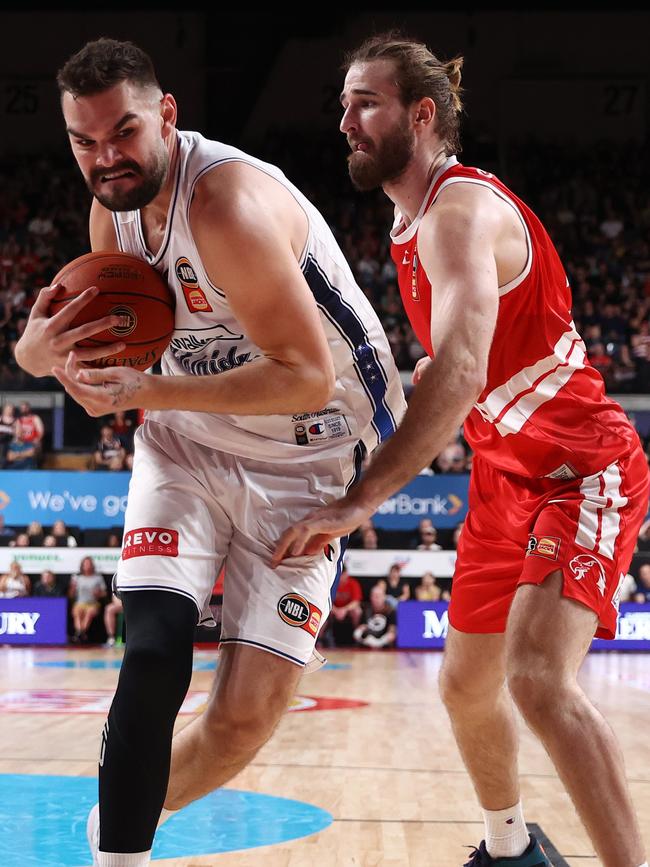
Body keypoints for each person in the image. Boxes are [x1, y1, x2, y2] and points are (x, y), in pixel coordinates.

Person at [14, 38, 404, 867]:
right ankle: (119, 853)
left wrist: (145, 391)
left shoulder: (224, 203)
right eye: (84, 142)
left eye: (122, 133)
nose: (106, 159)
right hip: (189, 438)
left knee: (238, 723)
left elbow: (303, 375)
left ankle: (111, 824)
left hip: (313, 447)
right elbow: (113, 365)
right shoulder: (109, 212)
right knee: (152, 647)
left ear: (166, 114)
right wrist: (44, 361)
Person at [273, 32, 650, 867]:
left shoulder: (459, 209)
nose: (344, 121)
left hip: (582, 467)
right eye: (342, 104)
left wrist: (360, 497)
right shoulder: (410, 222)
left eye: (363, 102)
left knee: (537, 680)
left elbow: (463, 368)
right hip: (503, 471)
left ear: (422, 112)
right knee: (464, 685)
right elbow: (456, 367)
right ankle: (511, 848)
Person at [69, 556, 107, 643]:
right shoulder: (77, 578)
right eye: (85, 564)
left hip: (93, 603)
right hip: (80, 603)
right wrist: (72, 588)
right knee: (77, 612)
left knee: (89, 612)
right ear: (82, 566)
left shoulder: (98, 578)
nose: (87, 566)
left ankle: (80, 634)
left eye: (89, 564)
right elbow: (71, 595)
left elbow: (104, 593)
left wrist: (99, 593)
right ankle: (81, 634)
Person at [353, 583, 396, 648]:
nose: (376, 599)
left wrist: (378, 643)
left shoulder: (390, 611)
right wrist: (361, 637)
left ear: (384, 597)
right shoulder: (367, 610)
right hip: (367, 642)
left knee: (392, 635)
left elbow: (392, 632)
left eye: (378, 596)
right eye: (374, 596)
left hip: (383, 643)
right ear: (371, 597)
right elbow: (361, 627)